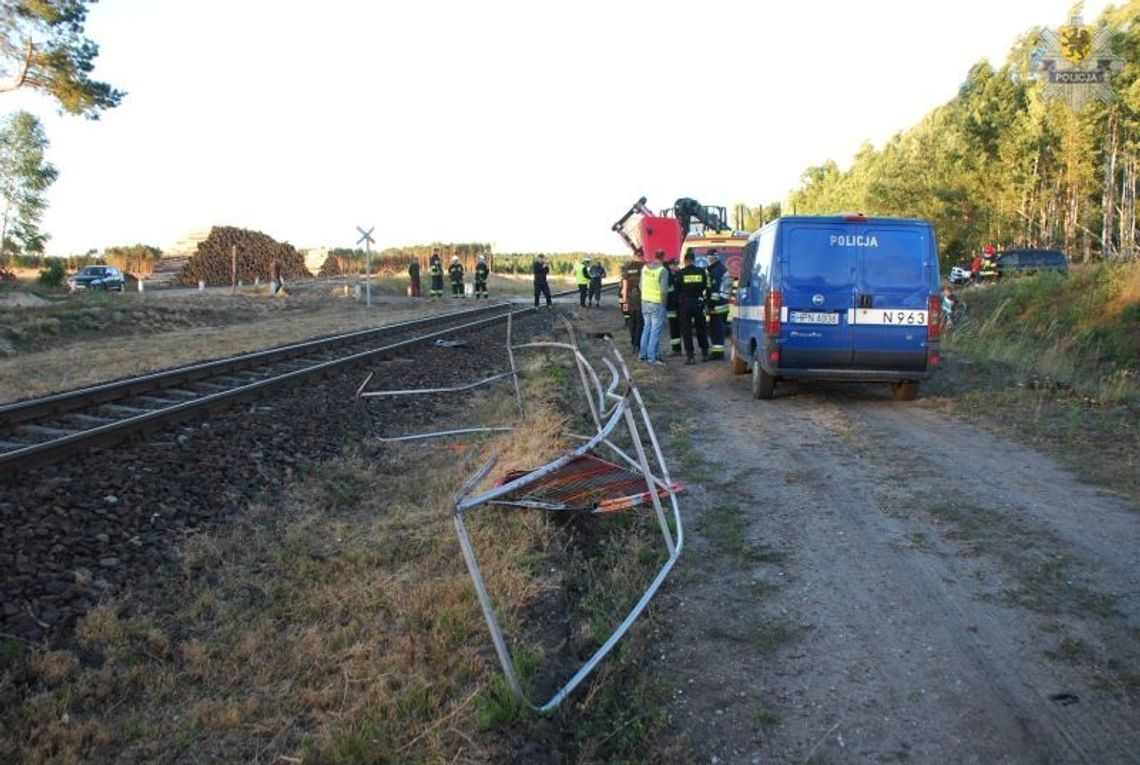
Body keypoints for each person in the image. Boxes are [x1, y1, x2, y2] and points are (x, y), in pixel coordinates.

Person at [677, 251, 710, 364]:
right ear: (694, 261)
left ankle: (690, 356)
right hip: (698, 303)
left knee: (687, 331)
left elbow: (677, 289)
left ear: (685, 261)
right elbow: (705, 286)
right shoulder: (701, 272)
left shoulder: (681, 273)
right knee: (701, 328)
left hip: (685, 304)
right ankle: (705, 353)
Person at [639, 250, 669, 365]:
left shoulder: (645, 268)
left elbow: (641, 285)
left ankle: (642, 355)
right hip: (657, 303)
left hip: (645, 302)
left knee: (646, 328)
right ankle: (652, 358)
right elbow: (663, 291)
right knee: (655, 331)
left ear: (654, 256)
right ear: (663, 257)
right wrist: (664, 304)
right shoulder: (663, 271)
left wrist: (646, 296)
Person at [704, 249, 729, 359]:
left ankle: (718, 353)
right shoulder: (720, 268)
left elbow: (715, 291)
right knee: (717, 329)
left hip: (717, 306)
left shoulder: (716, 271)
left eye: (708, 258)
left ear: (711, 258)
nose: (708, 260)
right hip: (723, 304)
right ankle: (717, 351)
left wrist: (710, 305)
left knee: (716, 330)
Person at [620, 251, 645, 351]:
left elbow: (624, 286)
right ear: (642, 256)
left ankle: (633, 343)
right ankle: (638, 343)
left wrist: (624, 300)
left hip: (630, 299)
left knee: (632, 321)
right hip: (641, 297)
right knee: (640, 322)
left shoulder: (627, 267)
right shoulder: (644, 267)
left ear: (634, 256)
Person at [665, 257, 682, 355]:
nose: (677, 267)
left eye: (677, 265)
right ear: (670, 266)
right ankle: (676, 349)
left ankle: (680, 349)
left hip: (680, 305)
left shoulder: (680, 274)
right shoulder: (666, 275)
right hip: (671, 305)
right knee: (673, 327)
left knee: (681, 327)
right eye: (675, 265)